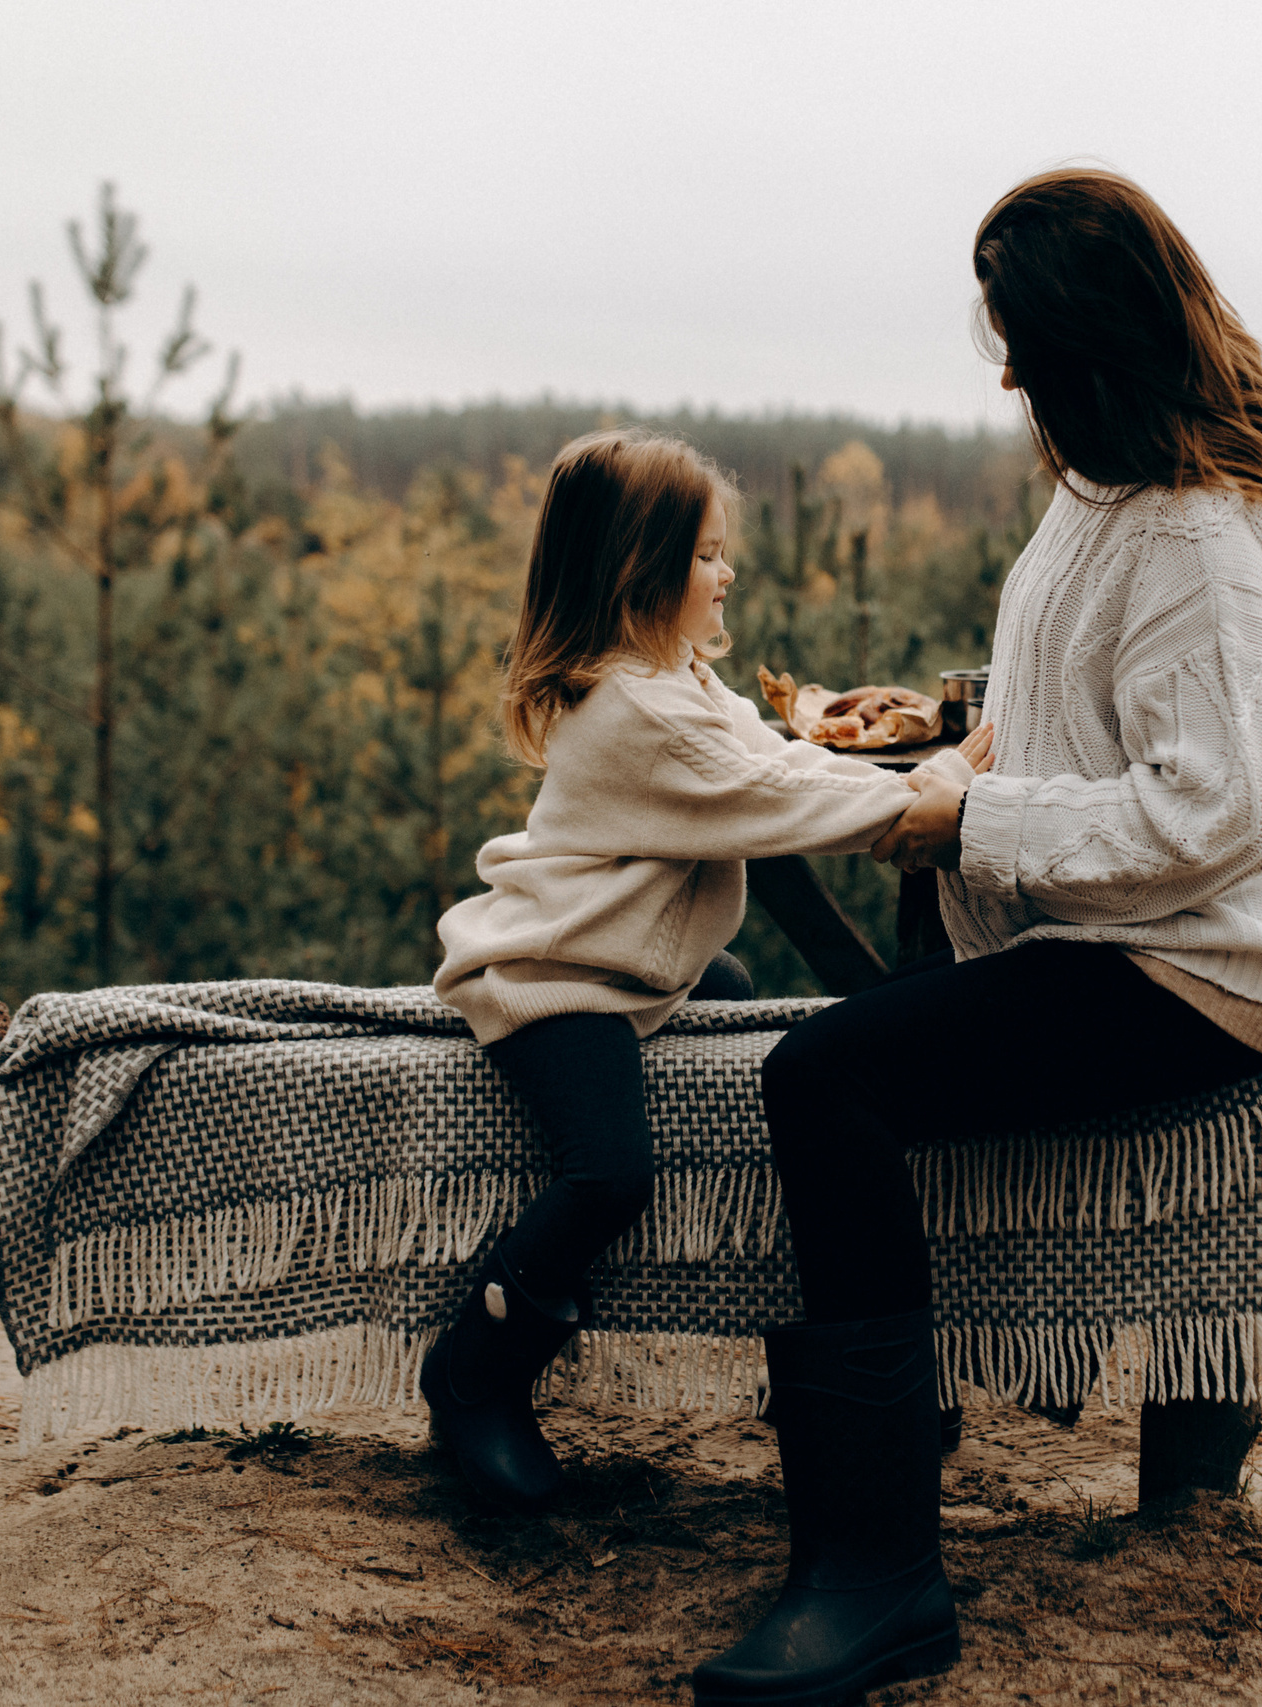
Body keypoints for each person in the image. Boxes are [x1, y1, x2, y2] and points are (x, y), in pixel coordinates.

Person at [691, 171, 1262, 1706]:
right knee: (864, 1047)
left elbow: (1221, 811)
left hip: (1201, 967)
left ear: (1095, 346)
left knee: (824, 1079)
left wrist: (965, 823)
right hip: (1098, 929)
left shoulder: (1194, 532)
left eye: (1023, 345)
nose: (1005, 375)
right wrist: (961, 751)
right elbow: (1083, 716)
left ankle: (875, 1574)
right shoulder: (1101, 492)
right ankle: (886, 1460)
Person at [427, 426, 973, 1513]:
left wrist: (896, 753)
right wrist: (939, 788)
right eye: (709, 555)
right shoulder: (634, 711)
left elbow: (772, 760)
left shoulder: (672, 679)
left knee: (742, 1020)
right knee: (609, 1174)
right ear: (642, 569)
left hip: (644, 968)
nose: (728, 575)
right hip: (558, 976)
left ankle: (806, 1338)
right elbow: (783, 804)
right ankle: (476, 1375)